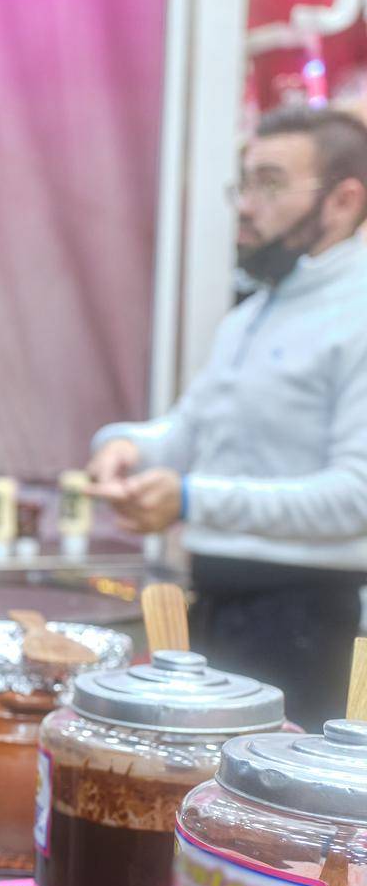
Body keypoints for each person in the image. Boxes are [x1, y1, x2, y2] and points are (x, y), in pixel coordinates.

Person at [89, 106, 367, 730]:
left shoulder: (359, 314)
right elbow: (189, 432)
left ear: (345, 201)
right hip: (219, 606)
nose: (245, 204)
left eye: (270, 184)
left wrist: (190, 499)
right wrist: (127, 448)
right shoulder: (256, 312)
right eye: (244, 182)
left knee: (264, 820)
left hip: (304, 623)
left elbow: (357, 497)